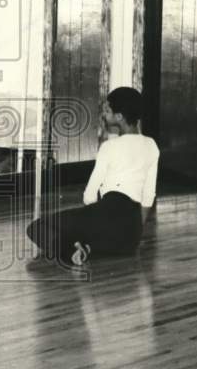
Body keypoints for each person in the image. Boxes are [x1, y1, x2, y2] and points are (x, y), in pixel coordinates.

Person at [27, 87, 159, 266]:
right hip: (131, 235)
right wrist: (135, 230)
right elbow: (148, 196)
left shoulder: (109, 147)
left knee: (36, 227)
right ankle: (90, 248)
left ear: (119, 116)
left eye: (107, 110)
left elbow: (89, 195)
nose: (104, 115)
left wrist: (94, 218)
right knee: (100, 233)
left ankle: (72, 251)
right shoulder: (151, 145)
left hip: (106, 213)